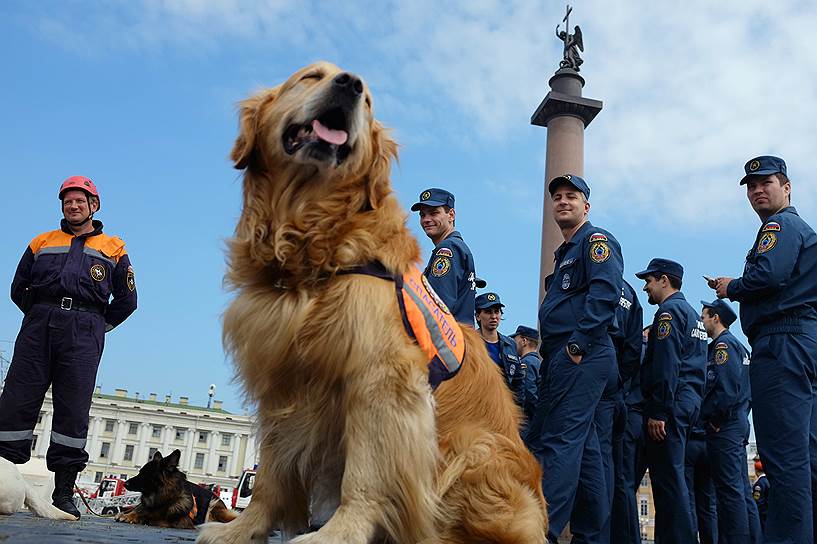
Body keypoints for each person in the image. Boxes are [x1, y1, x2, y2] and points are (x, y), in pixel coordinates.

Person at [0, 176, 137, 519]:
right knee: (17, 398)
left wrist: (94, 326)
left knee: (73, 407)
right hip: (38, 327)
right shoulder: (41, 242)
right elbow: (19, 288)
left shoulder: (114, 248)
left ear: (94, 206)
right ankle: (3, 472)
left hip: (84, 331)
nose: (73, 206)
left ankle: (63, 494)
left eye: (80, 201)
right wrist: (40, 315)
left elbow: (127, 300)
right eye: (67, 202)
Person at [710, 155, 817, 544]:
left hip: (781, 342)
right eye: (751, 186)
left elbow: (769, 274)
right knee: (806, 457)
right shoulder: (800, 228)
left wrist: (731, 287)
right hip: (802, 341)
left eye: (765, 183)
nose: (757, 190)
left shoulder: (780, 224)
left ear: (786, 187)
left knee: (784, 459)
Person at [535, 174, 623, 543]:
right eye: (557, 197)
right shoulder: (566, 252)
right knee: (585, 451)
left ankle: (542, 533)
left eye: (571, 196)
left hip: (580, 354)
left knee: (558, 442)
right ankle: (591, 536)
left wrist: (576, 346)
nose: (563, 202)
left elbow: (604, 294)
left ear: (586, 205)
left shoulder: (595, 241)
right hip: (571, 355)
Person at [636, 258, 707, 544]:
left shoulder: (668, 313)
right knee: (672, 479)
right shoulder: (691, 313)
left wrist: (659, 412)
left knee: (669, 482)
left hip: (672, 403)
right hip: (688, 401)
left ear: (664, 280)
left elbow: (666, 366)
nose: (645, 287)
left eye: (649, 281)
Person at [609, 282, 644, 544]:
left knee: (602, 469)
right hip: (619, 394)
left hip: (601, 391)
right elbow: (632, 349)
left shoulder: (592, 275)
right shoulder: (630, 293)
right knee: (620, 476)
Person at [411, 188, 476, 326]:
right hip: (460, 339)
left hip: (446, 341)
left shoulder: (448, 248)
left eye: (434, 213)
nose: (426, 220)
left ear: (451, 215)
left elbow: (437, 306)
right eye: (423, 215)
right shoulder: (457, 246)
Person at [474, 293, 526, 405]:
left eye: (497, 311)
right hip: (477, 406)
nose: (493, 316)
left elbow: (518, 380)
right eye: (488, 312)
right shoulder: (470, 342)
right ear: (478, 316)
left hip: (502, 407)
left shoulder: (510, 344)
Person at [509, 325, 541, 432]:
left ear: (524, 341)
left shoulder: (526, 363)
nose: (513, 343)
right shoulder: (539, 363)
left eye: (515, 340)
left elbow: (529, 394)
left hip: (528, 423)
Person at [752, 456, 770, 532]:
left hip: (762, 514)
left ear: (756, 471)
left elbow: (758, 501)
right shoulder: (769, 481)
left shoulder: (759, 484)